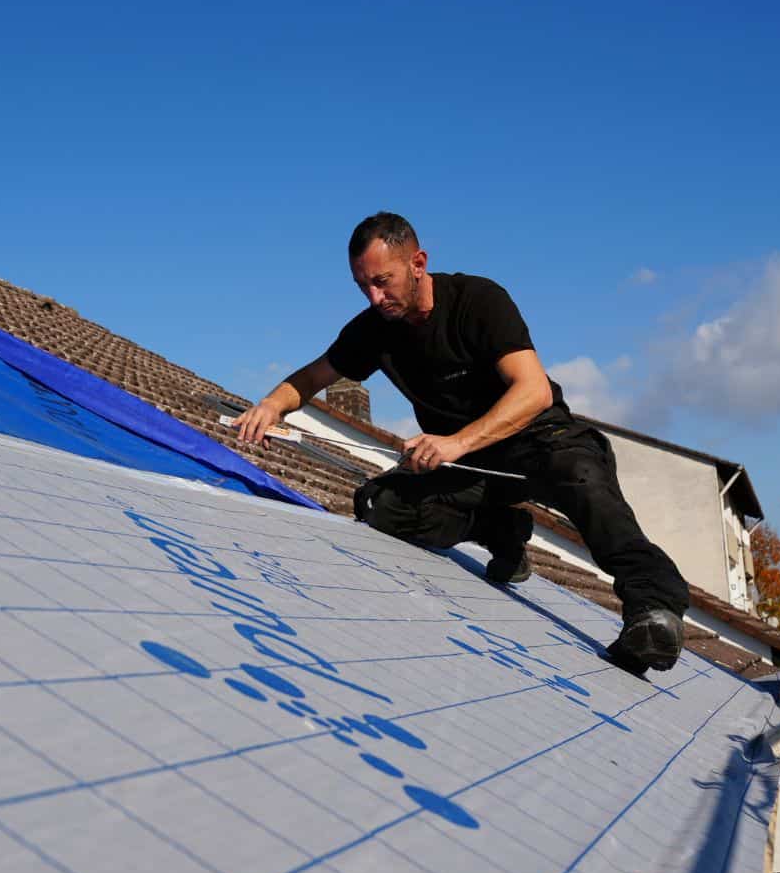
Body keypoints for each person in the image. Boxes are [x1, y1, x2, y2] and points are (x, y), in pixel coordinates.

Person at [231, 211, 690, 673]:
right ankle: (500, 531)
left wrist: (457, 442)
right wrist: (271, 405)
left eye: (383, 281)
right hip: (469, 464)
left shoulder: (479, 301)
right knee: (379, 505)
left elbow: (534, 391)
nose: (375, 297)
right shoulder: (373, 328)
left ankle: (653, 612)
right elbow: (313, 376)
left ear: (418, 263)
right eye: (363, 286)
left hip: (538, 441)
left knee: (583, 476)